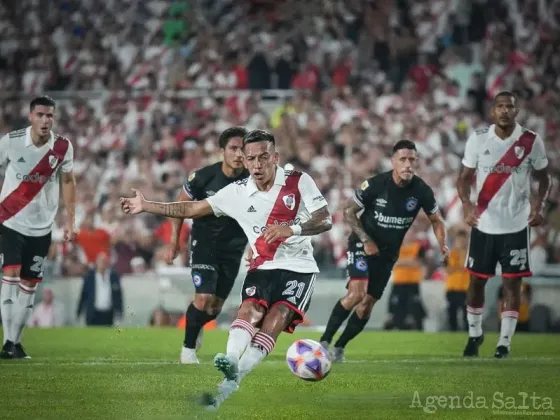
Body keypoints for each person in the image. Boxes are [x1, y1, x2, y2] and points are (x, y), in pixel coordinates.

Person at [120, 129, 332, 409]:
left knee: (276, 319)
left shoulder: (299, 181)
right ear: (244, 161)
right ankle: (230, 360)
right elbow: (191, 209)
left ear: (275, 158)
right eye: (251, 159)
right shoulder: (236, 193)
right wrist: (147, 206)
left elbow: (324, 218)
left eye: (263, 157)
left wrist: (291, 228)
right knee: (250, 310)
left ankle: (234, 378)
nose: (257, 164)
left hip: (300, 268)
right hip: (263, 265)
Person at [319, 140, 449, 362]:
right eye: (403, 159)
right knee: (356, 294)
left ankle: (340, 346)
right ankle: (324, 342)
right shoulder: (376, 184)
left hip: (387, 255)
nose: (408, 164)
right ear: (393, 162)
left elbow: (436, 220)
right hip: (362, 244)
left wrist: (442, 243)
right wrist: (365, 239)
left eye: (412, 160)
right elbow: (348, 211)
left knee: (367, 305)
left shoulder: (421, 190)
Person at [456, 91, 551, 359]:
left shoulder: (530, 140)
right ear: (493, 111)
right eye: (500, 106)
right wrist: (466, 204)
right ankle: (475, 335)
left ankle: (504, 343)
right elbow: (463, 178)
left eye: (510, 106)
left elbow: (545, 179)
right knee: (475, 283)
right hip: (484, 224)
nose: (505, 111)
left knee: (512, 285)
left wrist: (539, 205)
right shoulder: (477, 138)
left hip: (517, 225)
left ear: (516, 111)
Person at [164, 126, 250, 364]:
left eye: (243, 149)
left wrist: (254, 244)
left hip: (233, 249)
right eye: (233, 148)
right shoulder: (203, 177)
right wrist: (174, 241)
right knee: (203, 298)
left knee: (213, 309)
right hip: (204, 244)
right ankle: (188, 350)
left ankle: (196, 323)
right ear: (222, 151)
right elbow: (179, 207)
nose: (238, 154)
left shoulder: (253, 181)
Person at [0, 96, 76, 359]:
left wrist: (70, 221)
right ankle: (8, 341)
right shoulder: (9, 142)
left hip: (42, 227)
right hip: (10, 220)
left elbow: (69, 182)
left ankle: (15, 342)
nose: (46, 120)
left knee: (29, 286)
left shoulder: (63, 147)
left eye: (50, 116)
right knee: (10, 275)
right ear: (31, 116)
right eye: (41, 115)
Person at [445, 230, 470, 331]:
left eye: (464, 240)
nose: (462, 242)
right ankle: (452, 331)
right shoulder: (450, 254)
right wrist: (461, 267)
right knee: (452, 312)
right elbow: (448, 270)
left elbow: (469, 268)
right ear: (456, 240)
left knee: (466, 314)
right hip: (452, 288)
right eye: (460, 240)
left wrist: (456, 267)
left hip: (466, 288)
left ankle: (468, 333)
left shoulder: (470, 254)